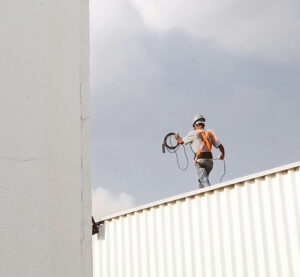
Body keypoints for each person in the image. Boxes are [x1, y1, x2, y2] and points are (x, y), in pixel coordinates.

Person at [174, 114, 225, 188]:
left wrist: (177, 137)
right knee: (201, 179)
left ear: (196, 125)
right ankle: (201, 196)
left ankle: (210, 193)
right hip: (210, 161)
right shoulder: (210, 134)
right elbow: (220, 146)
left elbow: (181, 142)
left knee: (204, 179)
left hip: (200, 160)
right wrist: (222, 154)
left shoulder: (193, 133)